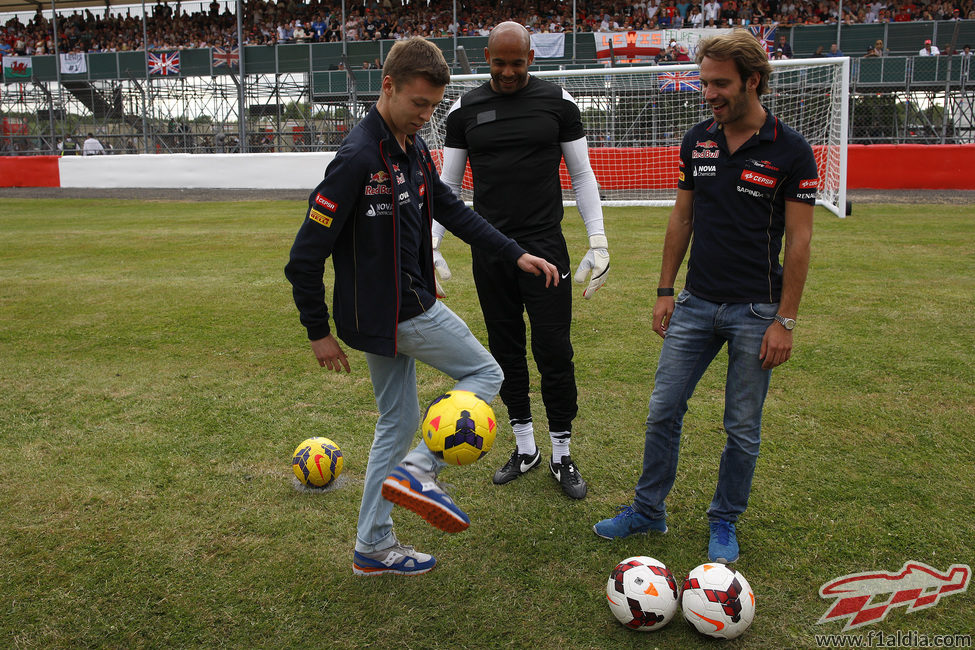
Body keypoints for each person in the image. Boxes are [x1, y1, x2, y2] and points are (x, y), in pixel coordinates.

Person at [285, 37, 560, 577]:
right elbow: (303, 257)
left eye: (433, 106)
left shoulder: (409, 148)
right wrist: (317, 330)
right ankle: (418, 470)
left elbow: (452, 209)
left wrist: (515, 253)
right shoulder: (358, 158)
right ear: (387, 87)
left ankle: (373, 545)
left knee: (398, 419)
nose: (426, 115)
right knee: (487, 372)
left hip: (389, 313)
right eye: (419, 103)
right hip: (398, 311)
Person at [592, 29, 816, 565]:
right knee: (663, 409)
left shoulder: (792, 151)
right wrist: (666, 290)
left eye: (720, 84)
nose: (708, 94)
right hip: (695, 304)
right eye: (704, 83)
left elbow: (800, 240)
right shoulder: (699, 140)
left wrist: (784, 320)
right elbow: (682, 217)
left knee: (741, 426)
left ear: (752, 81)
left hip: (756, 311)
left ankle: (724, 520)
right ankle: (648, 511)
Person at [433, 21, 608, 500]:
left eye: (518, 62)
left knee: (555, 350)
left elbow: (582, 175)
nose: (508, 72)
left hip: (546, 247)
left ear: (532, 57)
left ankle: (562, 453)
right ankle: (525, 446)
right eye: (499, 62)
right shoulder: (463, 109)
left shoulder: (559, 102)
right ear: (486, 56)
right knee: (505, 350)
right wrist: (433, 242)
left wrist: (599, 239)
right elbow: (448, 187)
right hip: (490, 249)